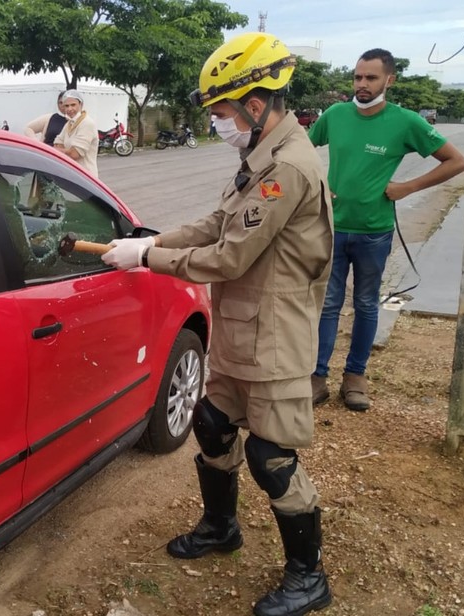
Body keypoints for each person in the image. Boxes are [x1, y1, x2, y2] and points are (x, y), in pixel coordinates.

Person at [101, 32, 333, 616]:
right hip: (239, 327)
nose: (218, 123)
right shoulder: (259, 158)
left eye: (222, 113)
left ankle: (309, 577)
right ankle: (221, 527)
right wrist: (153, 240)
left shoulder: (287, 168)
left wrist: (148, 259)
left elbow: (229, 257)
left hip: (275, 336)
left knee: (271, 457)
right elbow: (215, 224)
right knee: (211, 424)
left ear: (255, 105)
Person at [309, 48, 464, 412]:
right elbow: (301, 149)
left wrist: (408, 187)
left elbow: (456, 161)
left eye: (371, 78)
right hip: (333, 228)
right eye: (357, 77)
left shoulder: (406, 122)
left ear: (389, 80)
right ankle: (316, 377)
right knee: (328, 303)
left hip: (374, 232)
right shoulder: (335, 115)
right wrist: (317, 183)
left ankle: (355, 376)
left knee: (366, 303)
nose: (362, 85)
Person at [52, 89, 99, 177]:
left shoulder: (87, 123)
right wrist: (65, 150)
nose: (70, 109)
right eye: (66, 106)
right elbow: (57, 144)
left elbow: (74, 154)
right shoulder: (69, 123)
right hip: (73, 174)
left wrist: (61, 150)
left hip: (86, 176)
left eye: (73, 105)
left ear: (81, 104)